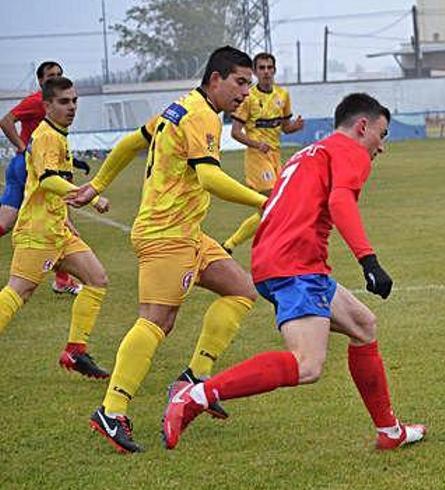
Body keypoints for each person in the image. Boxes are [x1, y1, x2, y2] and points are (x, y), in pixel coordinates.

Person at [161, 93, 426, 452]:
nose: (381, 147)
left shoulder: (311, 152)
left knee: (363, 325)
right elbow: (340, 201)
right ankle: (195, 395)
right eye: (382, 135)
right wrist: (369, 260)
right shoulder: (351, 151)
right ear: (363, 126)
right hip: (295, 265)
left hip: (281, 260)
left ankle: (389, 431)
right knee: (307, 365)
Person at [74, 46, 268, 454]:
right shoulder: (200, 115)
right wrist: (262, 201)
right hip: (166, 234)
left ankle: (193, 379)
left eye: (249, 85)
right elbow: (210, 176)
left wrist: (98, 185)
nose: (245, 94)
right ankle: (111, 411)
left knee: (242, 290)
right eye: (239, 83)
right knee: (157, 322)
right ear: (215, 79)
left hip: (188, 233)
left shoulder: (179, 107)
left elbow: (130, 143)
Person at [0, 76, 112, 378]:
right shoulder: (48, 136)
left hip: (58, 230)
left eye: (74, 100)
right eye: (64, 101)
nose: (72, 106)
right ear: (47, 105)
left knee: (97, 279)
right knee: (18, 293)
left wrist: (67, 218)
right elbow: (49, 180)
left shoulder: (58, 134)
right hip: (37, 232)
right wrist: (92, 197)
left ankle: (75, 353)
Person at [0, 61, 88, 295]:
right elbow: (6, 120)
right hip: (30, 166)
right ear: (40, 81)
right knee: (56, 219)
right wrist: (21, 146)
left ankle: (62, 279)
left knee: (5, 222)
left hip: (30, 164)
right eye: (50, 76)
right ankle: (62, 279)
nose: (55, 78)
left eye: (59, 74)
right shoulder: (37, 101)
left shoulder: (57, 104)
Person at [222, 51, 304, 253]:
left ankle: (229, 245)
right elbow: (235, 133)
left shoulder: (282, 95)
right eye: (262, 68)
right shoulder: (248, 97)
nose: (266, 72)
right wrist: (256, 144)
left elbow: (285, 127)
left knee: (269, 208)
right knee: (275, 203)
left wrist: (296, 126)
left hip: (275, 157)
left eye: (269, 68)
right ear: (255, 72)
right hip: (257, 158)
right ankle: (280, 247)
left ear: (274, 70)